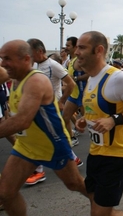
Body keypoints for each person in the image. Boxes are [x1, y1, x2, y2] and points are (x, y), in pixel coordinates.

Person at [0, 40, 88, 215]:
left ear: (26, 59)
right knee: (6, 193)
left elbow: (23, 120)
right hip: (26, 146)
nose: (3, 63)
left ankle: (105, 207)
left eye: (7, 59)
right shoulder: (14, 75)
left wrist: (62, 100)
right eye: (2, 58)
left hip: (52, 144)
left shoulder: (36, 80)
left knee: (75, 184)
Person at [74, 31, 123, 215]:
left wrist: (113, 120)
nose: (76, 52)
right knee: (96, 204)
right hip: (96, 151)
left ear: (98, 50)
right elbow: (97, 108)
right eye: (76, 47)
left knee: (99, 212)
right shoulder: (92, 78)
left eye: (82, 47)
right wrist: (84, 120)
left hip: (117, 154)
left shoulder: (118, 78)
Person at [27, 38, 77, 185]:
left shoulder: (53, 65)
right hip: (37, 108)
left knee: (53, 137)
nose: (28, 55)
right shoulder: (34, 65)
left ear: (40, 51)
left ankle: (40, 170)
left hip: (51, 108)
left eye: (30, 52)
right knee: (40, 137)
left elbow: (71, 83)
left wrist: (62, 101)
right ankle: (71, 158)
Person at [62, 36, 89, 151]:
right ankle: (71, 139)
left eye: (68, 46)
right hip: (73, 95)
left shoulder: (79, 61)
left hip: (82, 95)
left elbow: (89, 74)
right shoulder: (71, 61)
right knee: (64, 117)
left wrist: (76, 78)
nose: (66, 48)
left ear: (75, 47)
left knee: (91, 121)